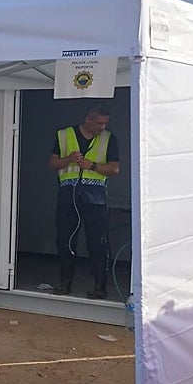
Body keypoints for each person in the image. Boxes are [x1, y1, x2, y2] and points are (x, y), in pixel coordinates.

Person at [48, 102, 120, 300]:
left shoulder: (108, 138)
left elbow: (114, 169)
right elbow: (52, 163)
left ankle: (99, 287)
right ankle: (65, 284)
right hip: (68, 196)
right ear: (88, 119)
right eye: (99, 123)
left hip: (95, 198)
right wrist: (68, 159)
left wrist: (93, 165)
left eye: (105, 123)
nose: (102, 127)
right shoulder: (64, 135)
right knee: (65, 241)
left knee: (98, 243)